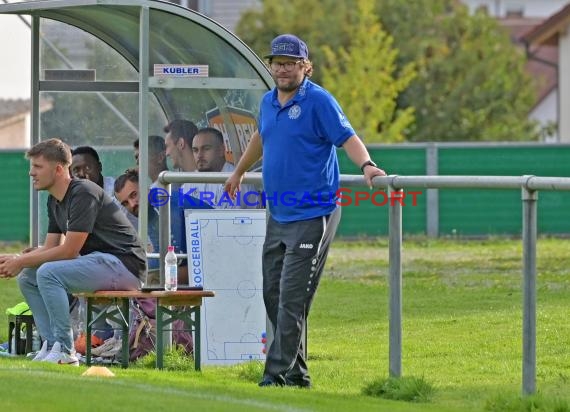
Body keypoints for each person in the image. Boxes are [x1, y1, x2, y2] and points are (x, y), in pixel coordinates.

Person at [224, 34, 386, 388]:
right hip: (278, 213)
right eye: (277, 63)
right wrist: (238, 172)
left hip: (314, 214)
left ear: (304, 66)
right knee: (273, 294)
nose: (282, 69)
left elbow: (347, 137)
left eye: (290, 63)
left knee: (293, 297)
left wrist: (368, 165)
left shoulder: (319, 101)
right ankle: (297, 374)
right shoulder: (268, 102)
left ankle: (275, 374)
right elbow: (261, 137)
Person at [0, 138, 146, 366]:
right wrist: (21, 259)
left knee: (47, 273)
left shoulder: (83, 192)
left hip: (125, 266)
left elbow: (69, 250)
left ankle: (66, 351)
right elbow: (50, 248)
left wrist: (22, 260)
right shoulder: (54, 200)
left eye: (38, 167)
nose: (31, 173)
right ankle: (51, 344)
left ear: (58, 169)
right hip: (101, 264)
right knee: (28, 276)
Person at [190, 127, 259, 209]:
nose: (199, 155)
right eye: (195, 150)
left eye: (206, 149)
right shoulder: (189, 181)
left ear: (221, 150)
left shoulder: (237, 181)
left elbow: (228, 220)